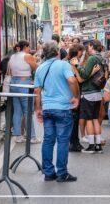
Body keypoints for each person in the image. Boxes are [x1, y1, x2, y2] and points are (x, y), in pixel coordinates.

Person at [34, 41, 80, 182]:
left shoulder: (40, 68)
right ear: (57, 52)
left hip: (47, 108)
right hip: (62, 108)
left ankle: (48, 173)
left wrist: (38, 109)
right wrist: (76, 97)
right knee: (62, 141)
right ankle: (62, 173)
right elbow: (72, 81)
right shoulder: (63, 65)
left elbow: (37, 90)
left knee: (48, 140)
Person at [68, 44, 100, 152]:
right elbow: (81, 79)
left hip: (78, 93)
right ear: (77, 51)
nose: (83, 53)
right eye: (81, 51)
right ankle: (74, 143)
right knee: (79, 119)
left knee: (78, 119)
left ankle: (75, 142)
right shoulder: (73, 62)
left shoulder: (75, 61)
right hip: (76, 94)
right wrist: (93, 72)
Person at [8, 40, 40, 144]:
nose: (29, 49)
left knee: (17, 111)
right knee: (27, 111)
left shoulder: (12, 57)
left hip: (13, 83)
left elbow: (9, 70)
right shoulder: (27, 56)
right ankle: (32, 137)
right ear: (25, 47)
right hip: (24, 83)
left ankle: (18, 136)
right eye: (28, 47)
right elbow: (37, 68)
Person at [77, 40, 106, 154]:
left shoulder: (92, 58)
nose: (87, 49)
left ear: (91, 46)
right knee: (95, 119)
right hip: (98, 91)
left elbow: (84, 74)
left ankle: (91, 145)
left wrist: (77, 66)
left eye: (88, 46)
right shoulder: (102, 58)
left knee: (89, 119)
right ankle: (98, 145)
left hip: (89, 91)